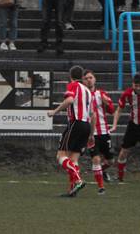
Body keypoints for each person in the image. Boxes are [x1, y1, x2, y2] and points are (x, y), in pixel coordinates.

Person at [46, 65, 92, 197]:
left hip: (75, 123)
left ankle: (78, 180)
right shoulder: (87, 91)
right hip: (86, 125)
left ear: (70, 76)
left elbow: (70, 100)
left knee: (60, 156)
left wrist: (54, 112)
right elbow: (92, 113)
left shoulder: (73, 85)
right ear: (83, 77)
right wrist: (91, 133)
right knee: (73, 158)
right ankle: (72, 190)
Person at [83, 70, 115, 194]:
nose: (89, 80)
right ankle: (101, 187)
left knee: (110, 161)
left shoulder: (101, 94)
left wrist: (107, 103)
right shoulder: (82, 95)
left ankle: (101, 171)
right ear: (83, 81)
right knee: (95, 159)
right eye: (86, 78)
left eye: (90, 77)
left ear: (95, 79)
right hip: (90, 133)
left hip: (104, 132)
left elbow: (112, 110)